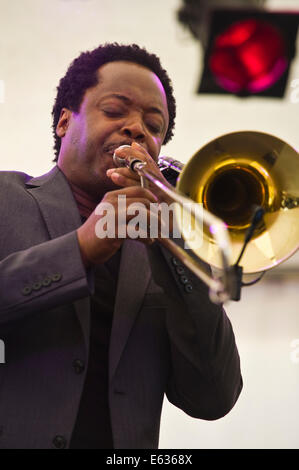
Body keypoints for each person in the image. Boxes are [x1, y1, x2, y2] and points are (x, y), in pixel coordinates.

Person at [0, 43, 242, 449]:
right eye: (114, 111)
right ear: (63, 122)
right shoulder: (7, 198)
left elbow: (212, 397)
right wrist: (81, 249)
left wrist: (180, 251)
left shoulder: (168, 249)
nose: (137, 130)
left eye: (154, 126)